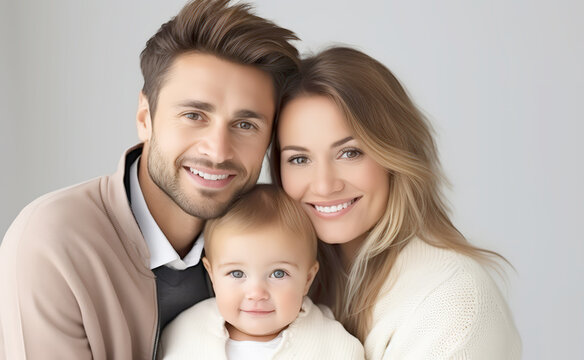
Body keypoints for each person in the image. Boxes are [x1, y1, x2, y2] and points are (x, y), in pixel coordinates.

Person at [0, 0, 299, 358]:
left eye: (246, 125)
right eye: (194, 115)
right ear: (145, 117)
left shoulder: (283, 239)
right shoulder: (54, 242)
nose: (218, 151)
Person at [271, 47, 522, 359]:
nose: (324, 185)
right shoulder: (284, 282)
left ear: (394, 155)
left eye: (350, 153)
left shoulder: (452, 303)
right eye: (298, 158)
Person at [158, 184, 363, 359]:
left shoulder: (333, 345)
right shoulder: (184, 333)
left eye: (278, 274)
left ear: (307, 279)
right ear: (212, 275)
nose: (256, 293)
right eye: (237, 274)